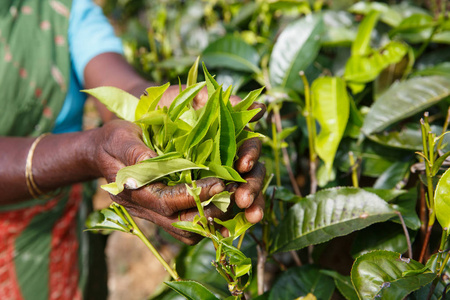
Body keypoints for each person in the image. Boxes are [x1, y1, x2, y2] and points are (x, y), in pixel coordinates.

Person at [0, 0, 266, 299]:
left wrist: (171, 106)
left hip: (61, 235)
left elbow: (125, 87)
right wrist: (88, 151)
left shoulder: (60, 9)